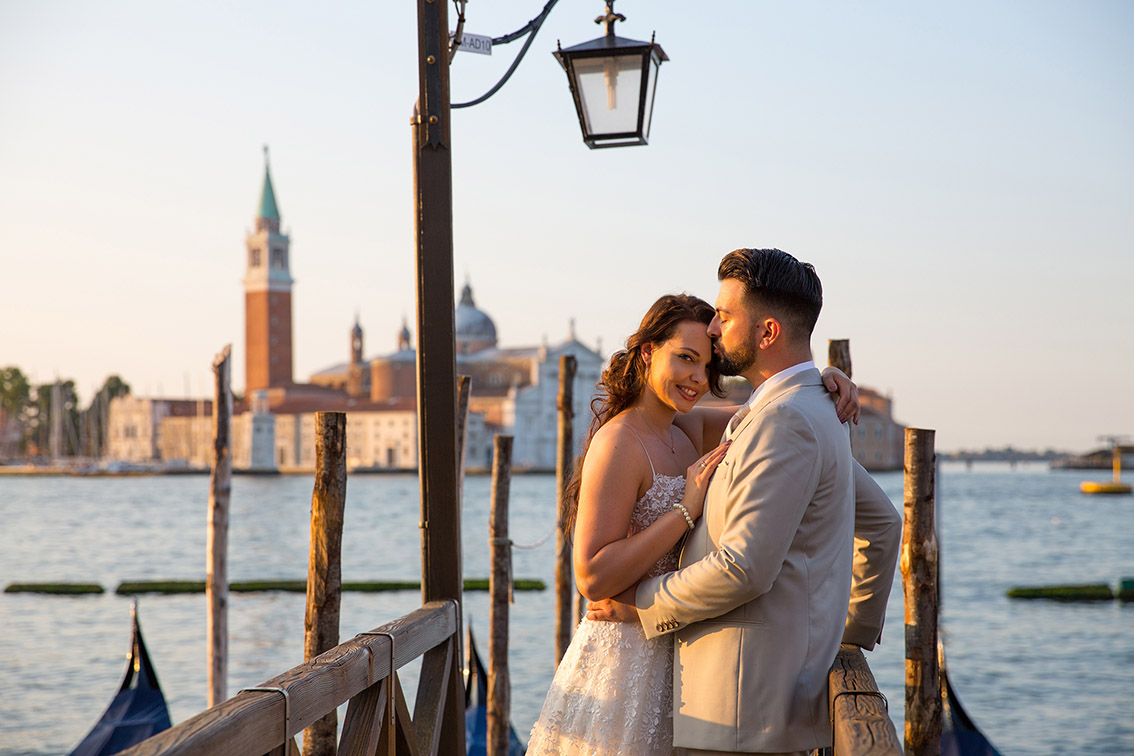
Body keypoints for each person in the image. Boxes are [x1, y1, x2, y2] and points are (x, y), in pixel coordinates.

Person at [526, 291, 872, 756]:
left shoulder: (687, 428)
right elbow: (591, 575)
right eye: (685, 359)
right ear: (648, 351)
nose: (696, 379)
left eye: (707, 367)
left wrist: (821, 379)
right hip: (623, 652)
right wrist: (685, 511)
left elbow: (775, 415)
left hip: (681, 650)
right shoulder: (618, 443)